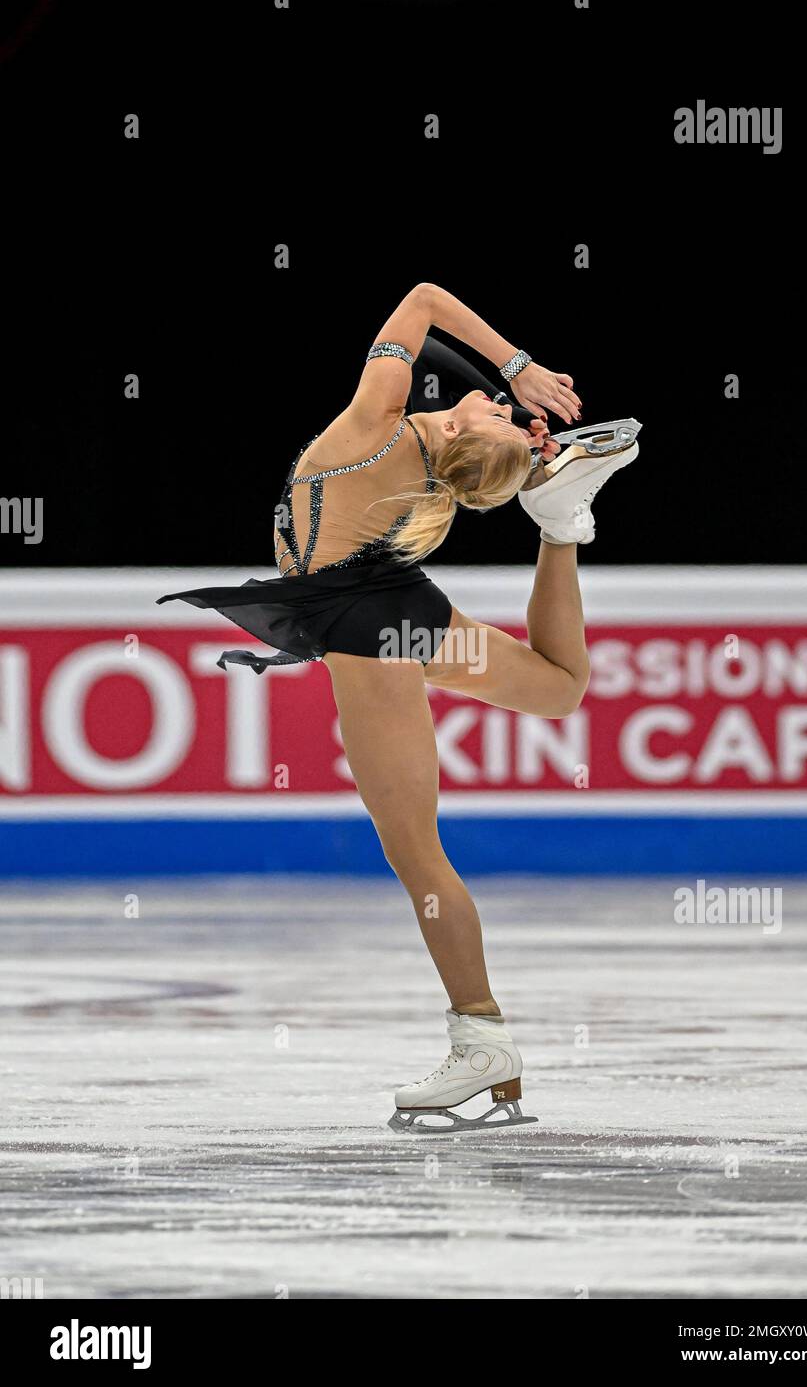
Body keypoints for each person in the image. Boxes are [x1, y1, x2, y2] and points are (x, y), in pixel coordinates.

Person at [158, 283, 640, 1131]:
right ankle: (560, 527)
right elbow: (440, 344)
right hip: (400, 612)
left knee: (417, 854)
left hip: (374, 632)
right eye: (501, 408)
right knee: (560, 688)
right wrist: (518, 418)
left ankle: (481, 1036)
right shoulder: (426, 452)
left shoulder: (383, 419)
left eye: (493, 414)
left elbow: (421, 299)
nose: (496, 404)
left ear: (455, 430)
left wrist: (518, 367)